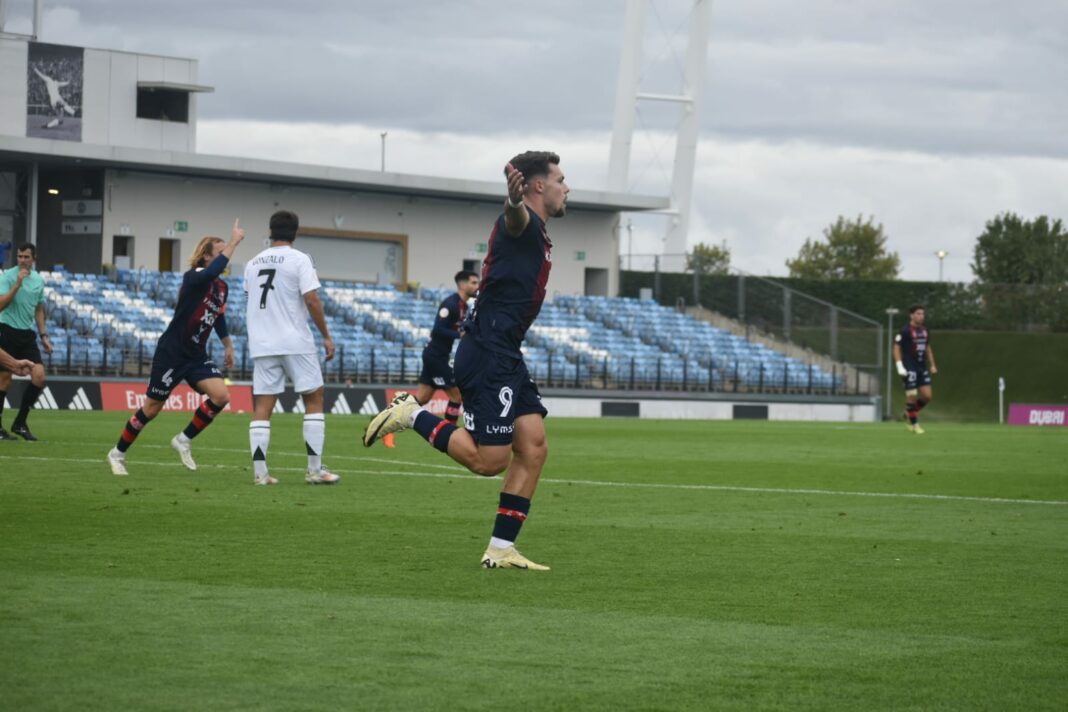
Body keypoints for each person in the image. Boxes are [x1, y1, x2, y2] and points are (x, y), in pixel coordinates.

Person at [363, 151, 568, 571]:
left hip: (505, 352)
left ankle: (500, 549)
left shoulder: (540, 233)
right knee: (488, 461)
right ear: (538, 186)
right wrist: (511, 202)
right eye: (562, 180)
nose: (568, 188)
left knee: (533, 448)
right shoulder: (521, 225)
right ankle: (412, 414)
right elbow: (514, 217)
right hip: (488, 352)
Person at [107, 223, 245, 475]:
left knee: (221, 396)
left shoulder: (222, 288)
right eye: (220, 251)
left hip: (196, 356)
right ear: (206, 256)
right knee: (152, 409)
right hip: (172, 352)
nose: (225, 256)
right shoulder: (194, 277)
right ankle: (117, 453)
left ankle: (183, 439)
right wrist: (234, 242)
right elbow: (208, 274)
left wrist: (228, 345)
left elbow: (219, 317)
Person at [244, 210, 339, 486]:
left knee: (263, 404)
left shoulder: (252, 263)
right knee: (314, 398)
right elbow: (311, 300)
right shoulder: (300, 259)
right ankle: (314, 470)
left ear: (270, 231)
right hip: (294, 340)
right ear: (295, 232)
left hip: (262, 342)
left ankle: (260, 474)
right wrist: (326, 336)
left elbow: (251, 299)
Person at [383, 270, 480, 448]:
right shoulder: (450, 304)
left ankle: (387, 423)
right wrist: (460, 333)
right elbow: (437, 329)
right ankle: (451, 436)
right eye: (473, 282)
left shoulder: (464, 307)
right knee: (457, 394)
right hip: (435, 356)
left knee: (422, 398)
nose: (477, 286)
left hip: (437, 355)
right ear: (462, 284)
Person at [0, 243, 54, 441]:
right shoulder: (7, 276)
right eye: (20, 256)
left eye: (26, 257)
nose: (22, 260)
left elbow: (39, 309)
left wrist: (44, 336)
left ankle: (20, 423)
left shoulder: (39, 280)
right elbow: (0, 305)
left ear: (34, 259)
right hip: (6, 330)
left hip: (26, 334)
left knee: (39, 377)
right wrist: (16, 285)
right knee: (4, 379)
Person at [894, 304, 938, 434]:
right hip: (909, 368)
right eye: (918, 314)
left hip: (921, 367)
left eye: (922, 314)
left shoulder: (925, 330)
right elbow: (896, 348)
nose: (921, 316)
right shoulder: (905, 331)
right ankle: (914, 425)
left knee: (927, 396)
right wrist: (899, 366)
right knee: (912, 397)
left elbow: (927, 347)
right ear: (911, 315)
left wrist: (933, 364)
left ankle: (909, 413)